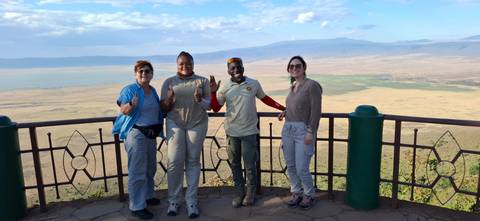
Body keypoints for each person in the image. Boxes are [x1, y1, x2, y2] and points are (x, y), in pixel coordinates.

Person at [210, 57, 286, 208]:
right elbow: (216, 108)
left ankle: (250, 192)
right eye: (232, 68)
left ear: (243, 68)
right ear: (228, 71)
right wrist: (213, 92)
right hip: (232, 132)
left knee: (250, 164)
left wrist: (283, 108)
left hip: (249, 132)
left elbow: (266, 99)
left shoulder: (253, 83)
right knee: (235, 164)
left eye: (238, 67)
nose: (236, 70)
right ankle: (239, 192)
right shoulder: (225, 88)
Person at [160, 51, 211, 219]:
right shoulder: (169, 82)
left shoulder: (202, 81)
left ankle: (191, 201)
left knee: (193, 161)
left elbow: (208, 106)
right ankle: (174, 200)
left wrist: (199, 99)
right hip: (175, 124)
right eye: (182, 63)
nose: (185, 66)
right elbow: (164, 108)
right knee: (174, 161)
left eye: (188, 63)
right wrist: (169, 99)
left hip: (197, 123)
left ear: (193, 64)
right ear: (177, 64)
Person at [112, 60, 163, 220]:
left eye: (147, 71)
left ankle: (148, 196)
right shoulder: (130, 90)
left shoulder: (152, 91)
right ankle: (137, 205)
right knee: (137, 171)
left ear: (152, 74)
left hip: (150, 134)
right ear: (135, 74)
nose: (144, 74)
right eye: (140, 71)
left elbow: (158, 110)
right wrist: (131, 104)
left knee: (150, 168)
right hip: (136, 135)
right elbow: (124, 110)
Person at [278, 56, 322, 210]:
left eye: (297, 66)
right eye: (291, 67)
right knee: (291, 165)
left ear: (304, 68)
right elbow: (297, 105)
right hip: (288, 129)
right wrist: (285, 111)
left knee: (302, 166)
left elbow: (316, 111)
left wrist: (311, 131)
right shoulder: (293, 86)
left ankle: (309, 194)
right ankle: (296, 192)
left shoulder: (312, 85)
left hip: (303, 130)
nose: (294, 69)